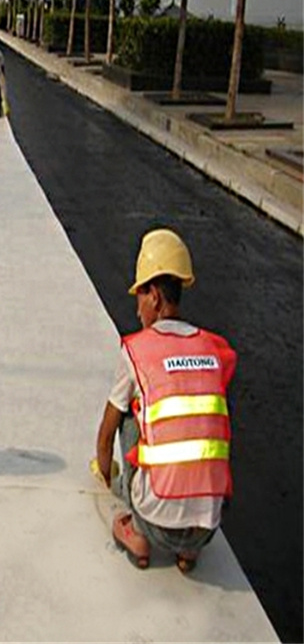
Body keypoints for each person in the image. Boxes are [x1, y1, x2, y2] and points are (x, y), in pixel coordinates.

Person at [95, 228, 236, 573]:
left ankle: (137, 533)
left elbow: (107, 430)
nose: (137, 307)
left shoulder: (137, 351)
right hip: (208, 528)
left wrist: (105, 473)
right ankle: (188, 554)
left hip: (155, 520)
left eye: (140, 296)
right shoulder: (212, 348)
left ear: (155, 297)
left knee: (130, 414)